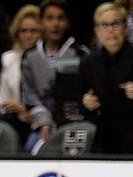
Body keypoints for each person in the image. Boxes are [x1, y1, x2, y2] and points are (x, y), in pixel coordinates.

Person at [78, 2, 133, 154]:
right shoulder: (88, 62)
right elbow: (80, 101)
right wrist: (87, 103)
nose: (110, 30)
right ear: (97, 31)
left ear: (125, 27)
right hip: (102, 137)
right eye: (104, 25)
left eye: (115, 24)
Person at [20, 0, 89, 151]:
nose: (55, 24)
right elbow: (29, 97)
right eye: (49, 18)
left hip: (74, 122)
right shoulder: (30, 57)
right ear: (40, 22)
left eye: (60, 18)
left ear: (68, 23)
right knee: (31, 147)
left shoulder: (80, 54)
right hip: (42, 123)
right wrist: (45, 122)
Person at [0, 4, 41, 146]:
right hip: (15, 119)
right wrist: (12, 107)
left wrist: (28, 111)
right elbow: (1, 98)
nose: (28, 36)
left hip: (41, 121)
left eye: (34, 31)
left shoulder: (48, 60)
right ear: (17, 33)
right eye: (24, 31)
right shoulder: (9, 58)